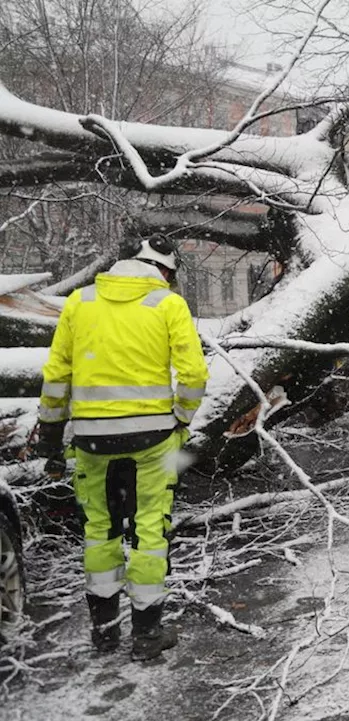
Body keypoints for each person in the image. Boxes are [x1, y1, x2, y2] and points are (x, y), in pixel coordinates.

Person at [33, 235, 208, 661]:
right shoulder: (166, 304)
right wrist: (180, 421)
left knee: (99, 532)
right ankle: (146, 637)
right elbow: (194, 376)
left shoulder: (80, 301)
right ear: (164, 270)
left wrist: (51, 438)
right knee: (149, 531)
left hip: (92, 440)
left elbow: (56, 375)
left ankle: (105, 635)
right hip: (152, 440)